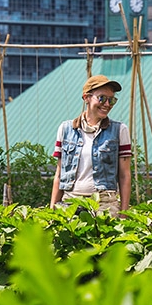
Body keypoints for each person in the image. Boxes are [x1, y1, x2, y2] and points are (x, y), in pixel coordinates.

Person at [49, 74, 133, 215]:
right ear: (86, 97)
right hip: (70, 202)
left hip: (104, 205)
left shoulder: (119, 130)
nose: (107, 104)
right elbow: (59, 174)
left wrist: (124, 213)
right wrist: (52, 210)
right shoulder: (66, 129)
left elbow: (125, 176)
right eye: (102, 98)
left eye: (111, 100)